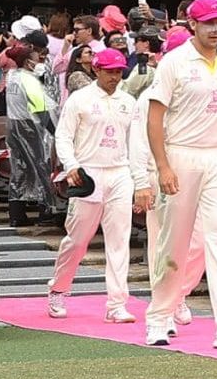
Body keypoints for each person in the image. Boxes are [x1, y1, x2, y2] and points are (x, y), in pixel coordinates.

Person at [144, 0, 217, 351]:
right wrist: (162, 165)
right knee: (173, 244)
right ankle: (159, 317)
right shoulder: (174, 62)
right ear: (192, 24)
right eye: (208, 23)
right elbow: (155, 117)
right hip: (181, 155)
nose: (215, 29)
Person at [47, 49, 150, 322]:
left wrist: (141, 181)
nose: (115, 77)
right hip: (87, 173)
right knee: (78, 240)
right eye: (109, 72)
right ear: (96, 70)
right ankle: (59, 288)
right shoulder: (80, 99)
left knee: (119, 241)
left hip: (119, 173)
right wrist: (71, 166)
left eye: (118, 72)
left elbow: (137, 144)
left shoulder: (129, 102)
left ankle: (117, 304)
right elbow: (64, 136)